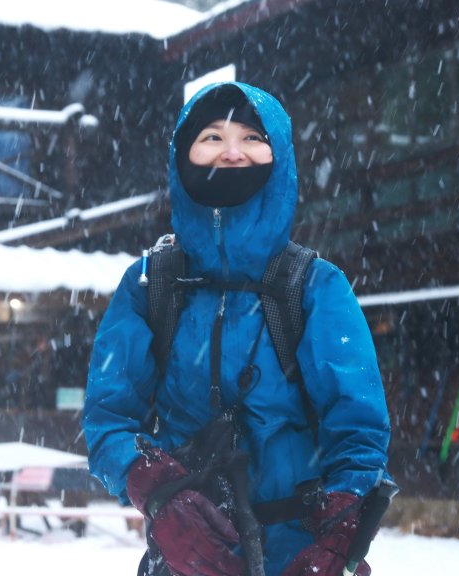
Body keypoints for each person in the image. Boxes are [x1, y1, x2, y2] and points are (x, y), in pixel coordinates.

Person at [82, 82, 392, 576]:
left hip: (297, 558)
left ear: (280, 154)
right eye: (211, 136)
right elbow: (108, 418)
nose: (231, 152)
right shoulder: (151, 283)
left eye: (251, 137)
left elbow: (359, 430)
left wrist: (340, 533)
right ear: (182, 155)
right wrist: (157, 490)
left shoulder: (314, 288)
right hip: (185, 560)